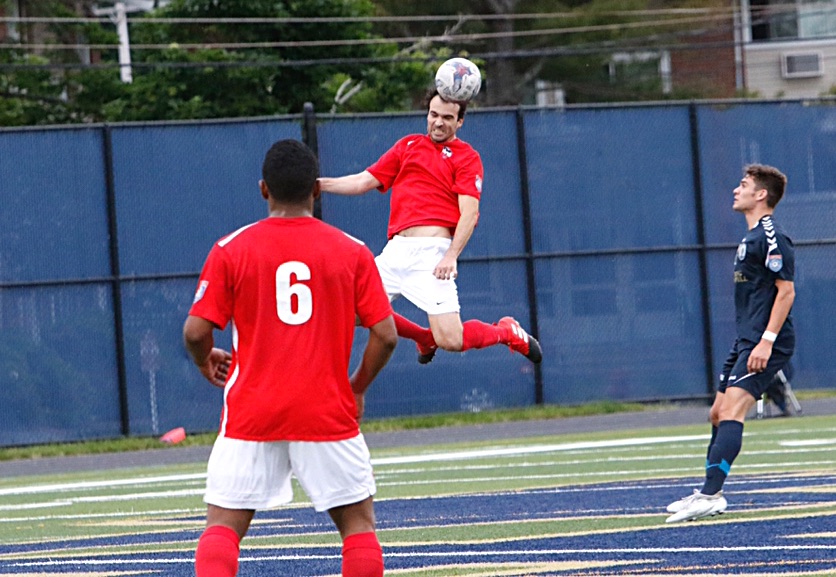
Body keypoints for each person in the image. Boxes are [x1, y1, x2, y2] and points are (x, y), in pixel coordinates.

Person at [183, 139, 397, 576]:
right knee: (357, 527)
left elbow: (195, 331)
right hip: (327, 409)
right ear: (316, 190)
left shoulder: (232, 248)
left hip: (251, 411)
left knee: (222, 527)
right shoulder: (353, 251)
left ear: (264, 189)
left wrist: (205, 360)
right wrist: (357, 387)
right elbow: (387, 335)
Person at [318, 89, 542, 366]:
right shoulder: (408, 146)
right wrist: (318, 184)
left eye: (447, 118)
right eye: (434, 114)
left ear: (460, 122)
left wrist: (451, 256)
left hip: (432, 256)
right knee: (350, 312)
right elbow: (363, 181)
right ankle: (424, 337)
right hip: (396, 251)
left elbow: (469, 213)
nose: (438, 122)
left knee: (451, 340)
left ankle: (506, 332)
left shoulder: (467, 157)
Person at [666, 164, 795, 523]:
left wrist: (766, 342)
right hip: (746, 340)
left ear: (761, 194)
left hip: (766, 342)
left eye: (744, 185)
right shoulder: (751, 237)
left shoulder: (771, 236)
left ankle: (711, 495)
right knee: (717, 413)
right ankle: (708, 490)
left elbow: (786, 292)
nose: (736, 190)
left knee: (732, 411)